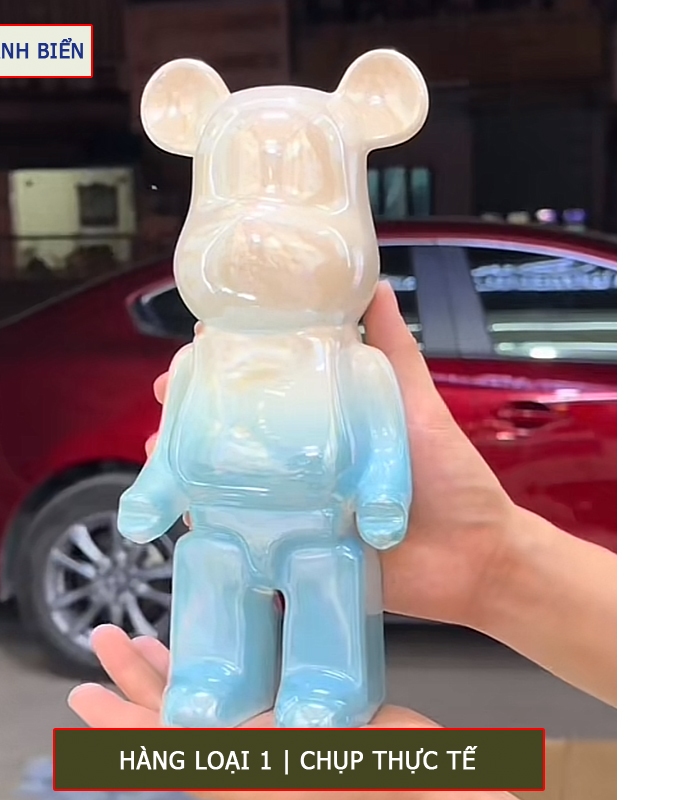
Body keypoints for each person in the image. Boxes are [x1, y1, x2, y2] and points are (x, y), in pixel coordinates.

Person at [68, 281, 616, 800]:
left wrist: (384, 496)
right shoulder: (199, 362)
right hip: (217, 525)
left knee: (327, 603)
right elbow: (171, 450)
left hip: (321, 530)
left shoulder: (355, 364)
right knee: (212, 595)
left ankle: (327, 686)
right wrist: (154, 494)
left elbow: (385, 443)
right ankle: (212, 677)